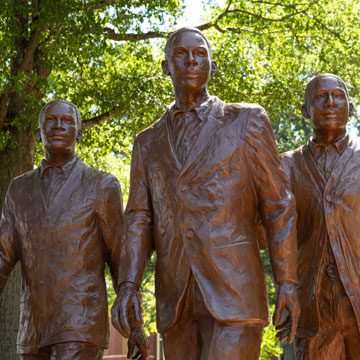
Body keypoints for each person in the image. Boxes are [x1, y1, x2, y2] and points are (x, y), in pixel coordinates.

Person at [112, 27, 299, 360]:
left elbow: (278, 206)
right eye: (181, 54)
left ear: (213, 66)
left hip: (234, 290)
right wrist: (129, 283)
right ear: (166, 66)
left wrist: (287, 281)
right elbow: (139, 218)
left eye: (200, 53)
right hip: (176, 297)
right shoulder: (147, 142)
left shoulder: (246, 121)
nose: (191, 60)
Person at [0, 99, 130, 359]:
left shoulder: (101, 185)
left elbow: (120, 256)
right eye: (51, 120)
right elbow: (3, 255)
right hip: (32, 328)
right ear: (38, 133)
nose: (59, 125)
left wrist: (133, 321)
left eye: (67, 121)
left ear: (79, 133)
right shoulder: (19, 189)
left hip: (80, 323)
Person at [280, 73, 360, 359]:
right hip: (312, 307)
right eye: (320, 97)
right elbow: (268, 237)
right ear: (304, 110)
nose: (330, 102)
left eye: (338, 96)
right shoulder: (286, 166)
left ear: (350, 107)